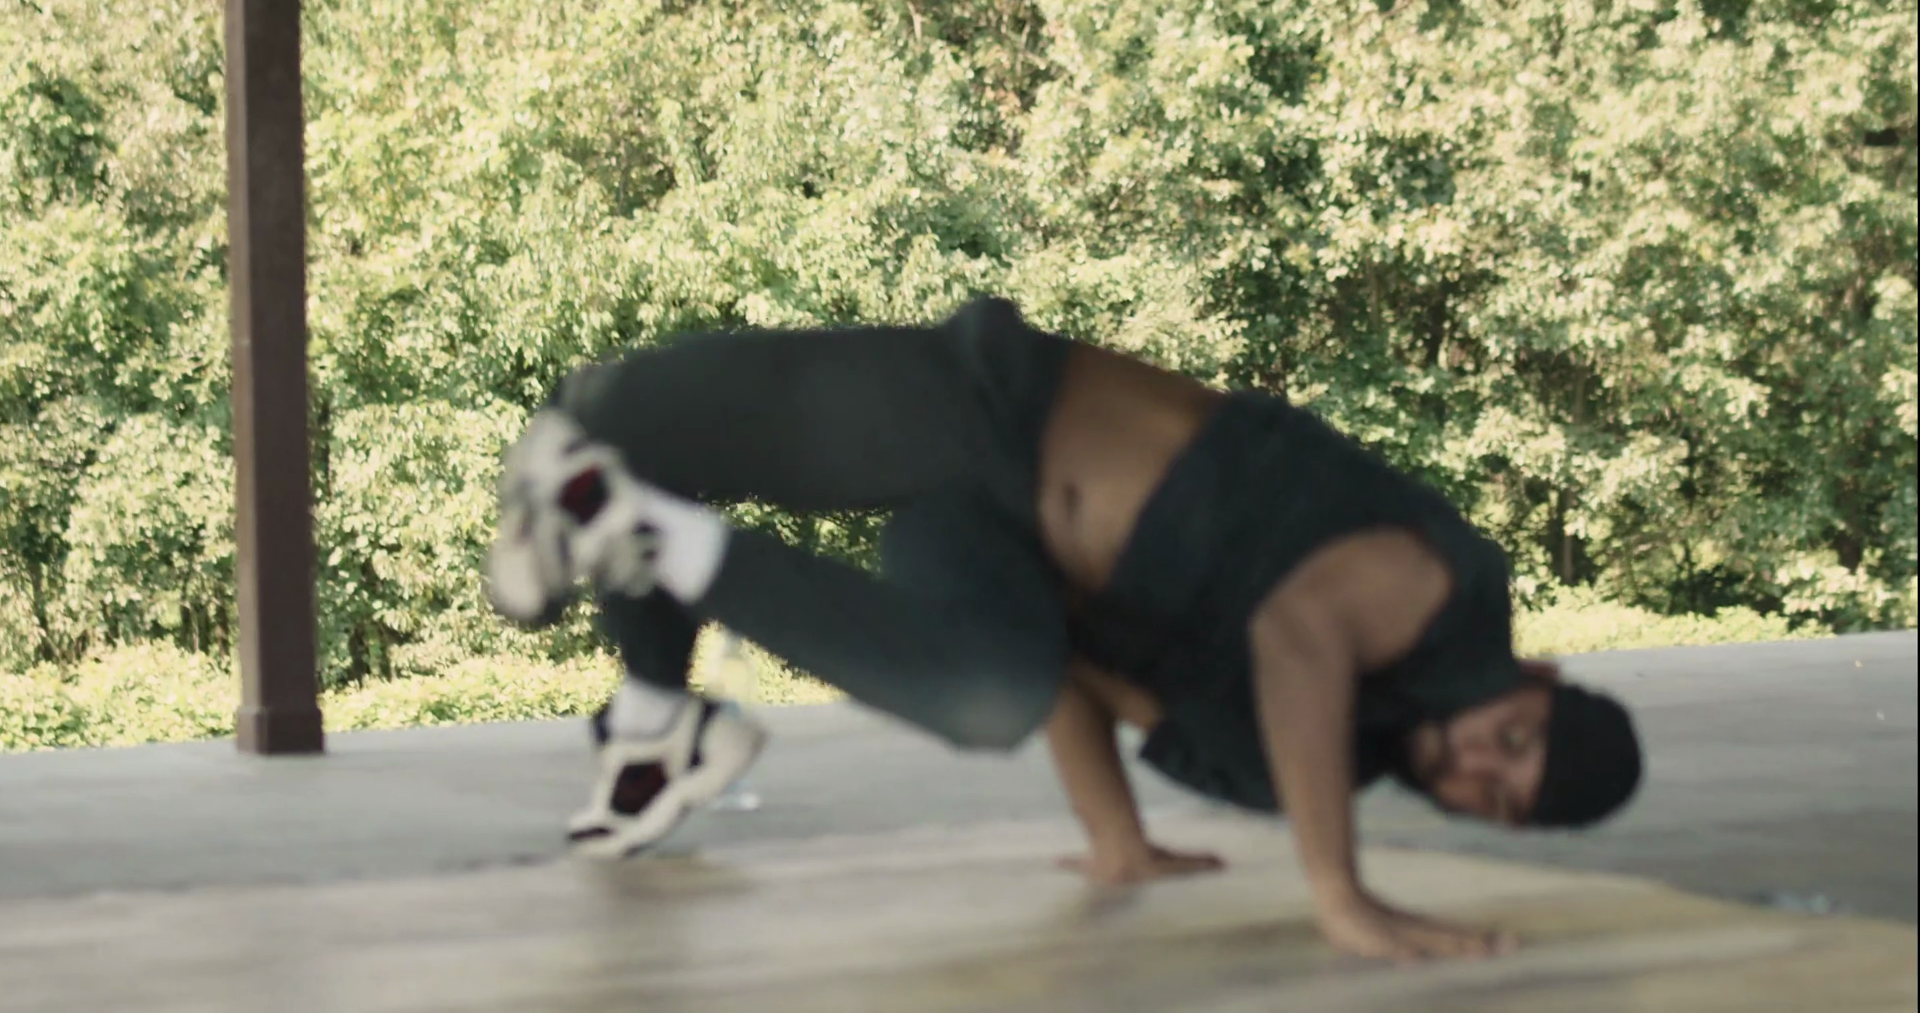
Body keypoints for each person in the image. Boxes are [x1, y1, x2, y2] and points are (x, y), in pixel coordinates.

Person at [485, 296, 1643, 963]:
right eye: (1514, 738)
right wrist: (1339, 893)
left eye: (1492, 798)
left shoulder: (1286, 769)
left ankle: (639, 566)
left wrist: (1119, 837)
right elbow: (1302, 634)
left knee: (995, 696)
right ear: (1535, 675)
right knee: (604, 416)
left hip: (988, 553)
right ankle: (656, 712)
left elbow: (1075, 680)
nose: (1473, 764)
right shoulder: (1451, 595)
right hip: (980, 407)